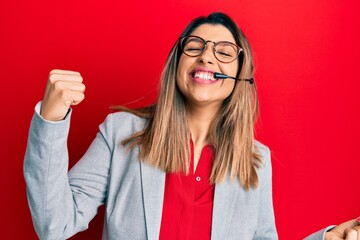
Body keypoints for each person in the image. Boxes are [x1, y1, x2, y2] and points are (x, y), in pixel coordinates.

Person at [24, 12, 278, 239]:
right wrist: (51, 120)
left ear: (241, 76)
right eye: (193, 47)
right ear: (177, 65)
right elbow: (54, 226)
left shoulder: (257, 160)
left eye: (223, 52)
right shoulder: (120, 133)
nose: (205, 57)